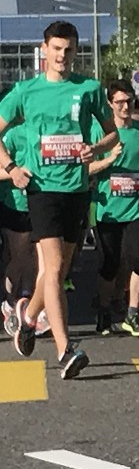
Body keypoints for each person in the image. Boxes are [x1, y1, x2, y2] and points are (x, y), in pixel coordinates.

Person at [0, 20, 117, 378]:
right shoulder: (25, 91)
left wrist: (93, 149)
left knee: (61, 270)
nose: (63, 56)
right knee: (51, 269)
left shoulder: (90, 89)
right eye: (56, 49)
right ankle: (66, 350)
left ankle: (30, 316)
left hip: (76, 189)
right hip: (41, 190)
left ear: (76, 51)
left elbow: (113, 135)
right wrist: (11, 167)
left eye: (69, 50)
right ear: (44, 50)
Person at [90, 80, 139, 336]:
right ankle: (104, 310)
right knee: (111, 264)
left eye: (129, 101)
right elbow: (85, 169)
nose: (126, 106)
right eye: (120, 102)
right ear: (110, 105)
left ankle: (132, 313)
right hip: (108, 209)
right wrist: (108, 159)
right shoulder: (100, 133)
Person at [0, 121, 35, 334]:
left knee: (37, 257)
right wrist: (16, 173)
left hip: (42, 202)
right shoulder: (12, 134)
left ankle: (28, 300)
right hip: (16, 204)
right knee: (19, 256)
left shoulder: (46, 130)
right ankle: (9, 302)